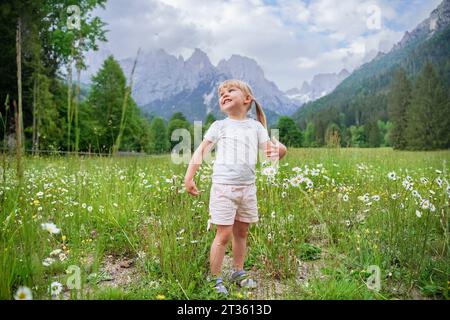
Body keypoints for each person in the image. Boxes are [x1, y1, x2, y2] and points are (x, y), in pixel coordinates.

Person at [184, 79, 287, 295]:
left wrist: (282, 151)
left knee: (242, 233)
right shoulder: (219, 126)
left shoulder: (256, 127)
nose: (224, 94)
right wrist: (189, 177)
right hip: (223, 188)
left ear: (247, 99)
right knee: (223, 235)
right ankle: (214, 278)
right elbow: (200, 152)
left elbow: (271, 151)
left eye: (230, 90)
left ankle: (238, 272)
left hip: (247, 189)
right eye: (221, 93)